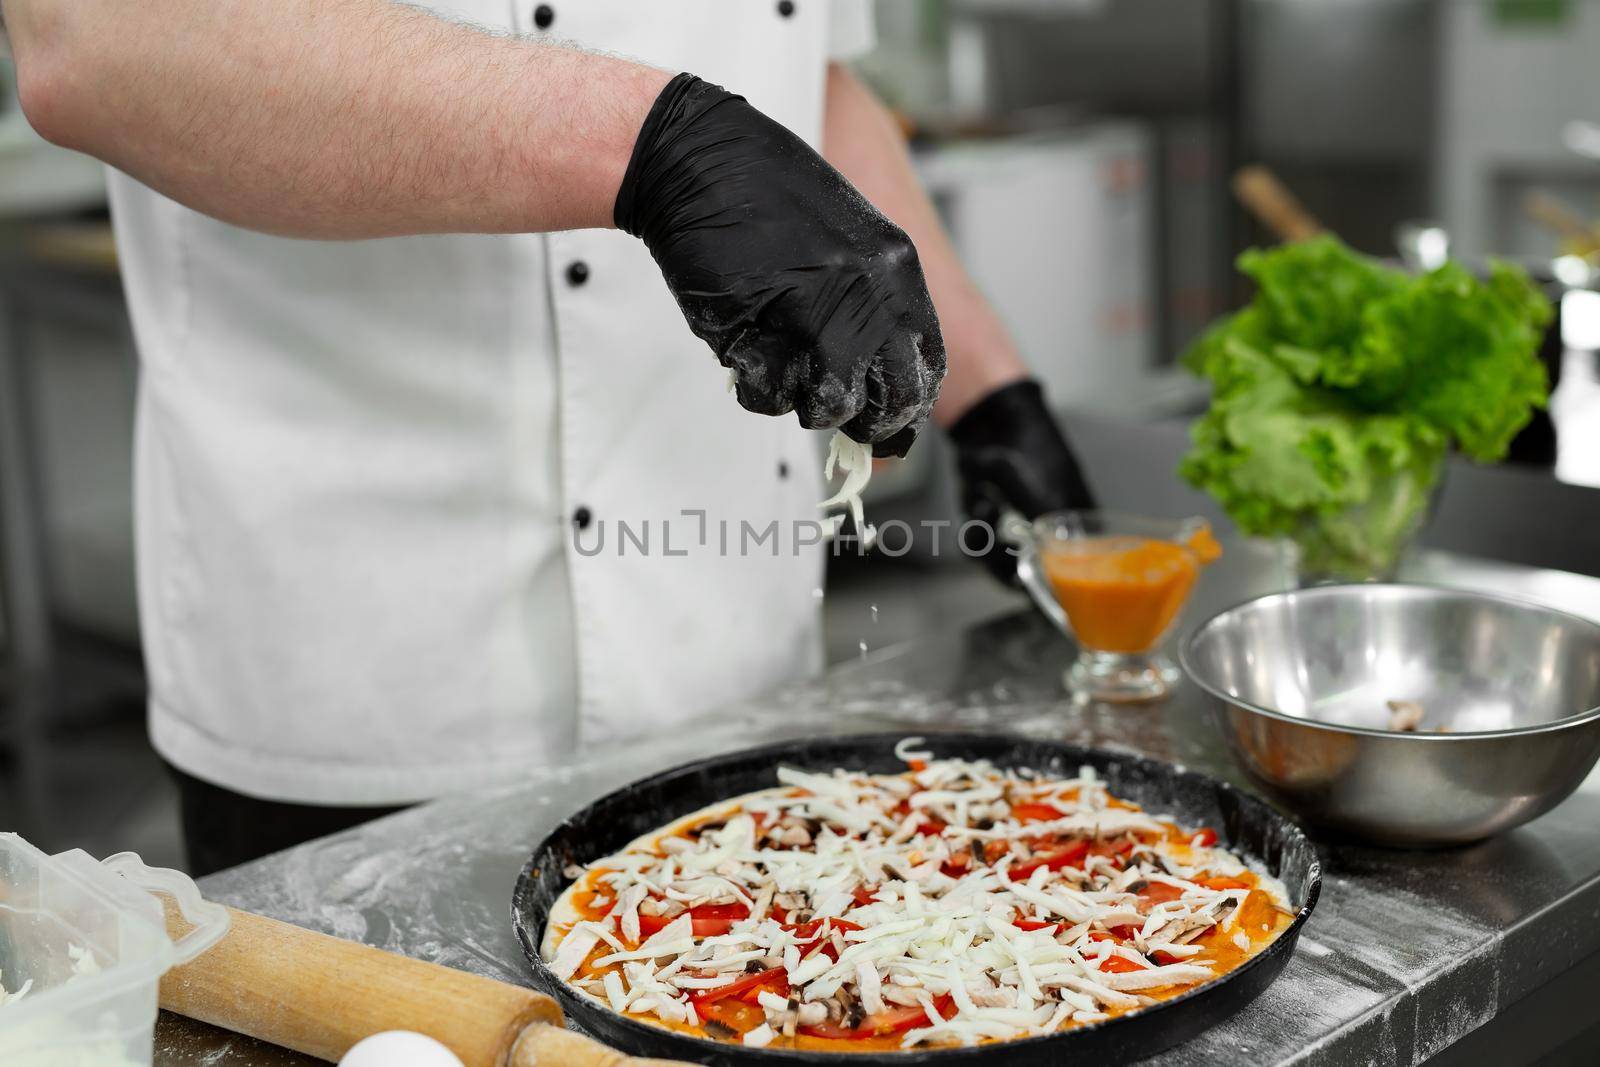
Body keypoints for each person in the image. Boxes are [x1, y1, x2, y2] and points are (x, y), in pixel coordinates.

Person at [2, 0, 1095, 874]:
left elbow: (808, 66)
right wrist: (656, 145)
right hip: (375, 654)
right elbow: (97, 42)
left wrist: (990, 396)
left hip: (730, 643)